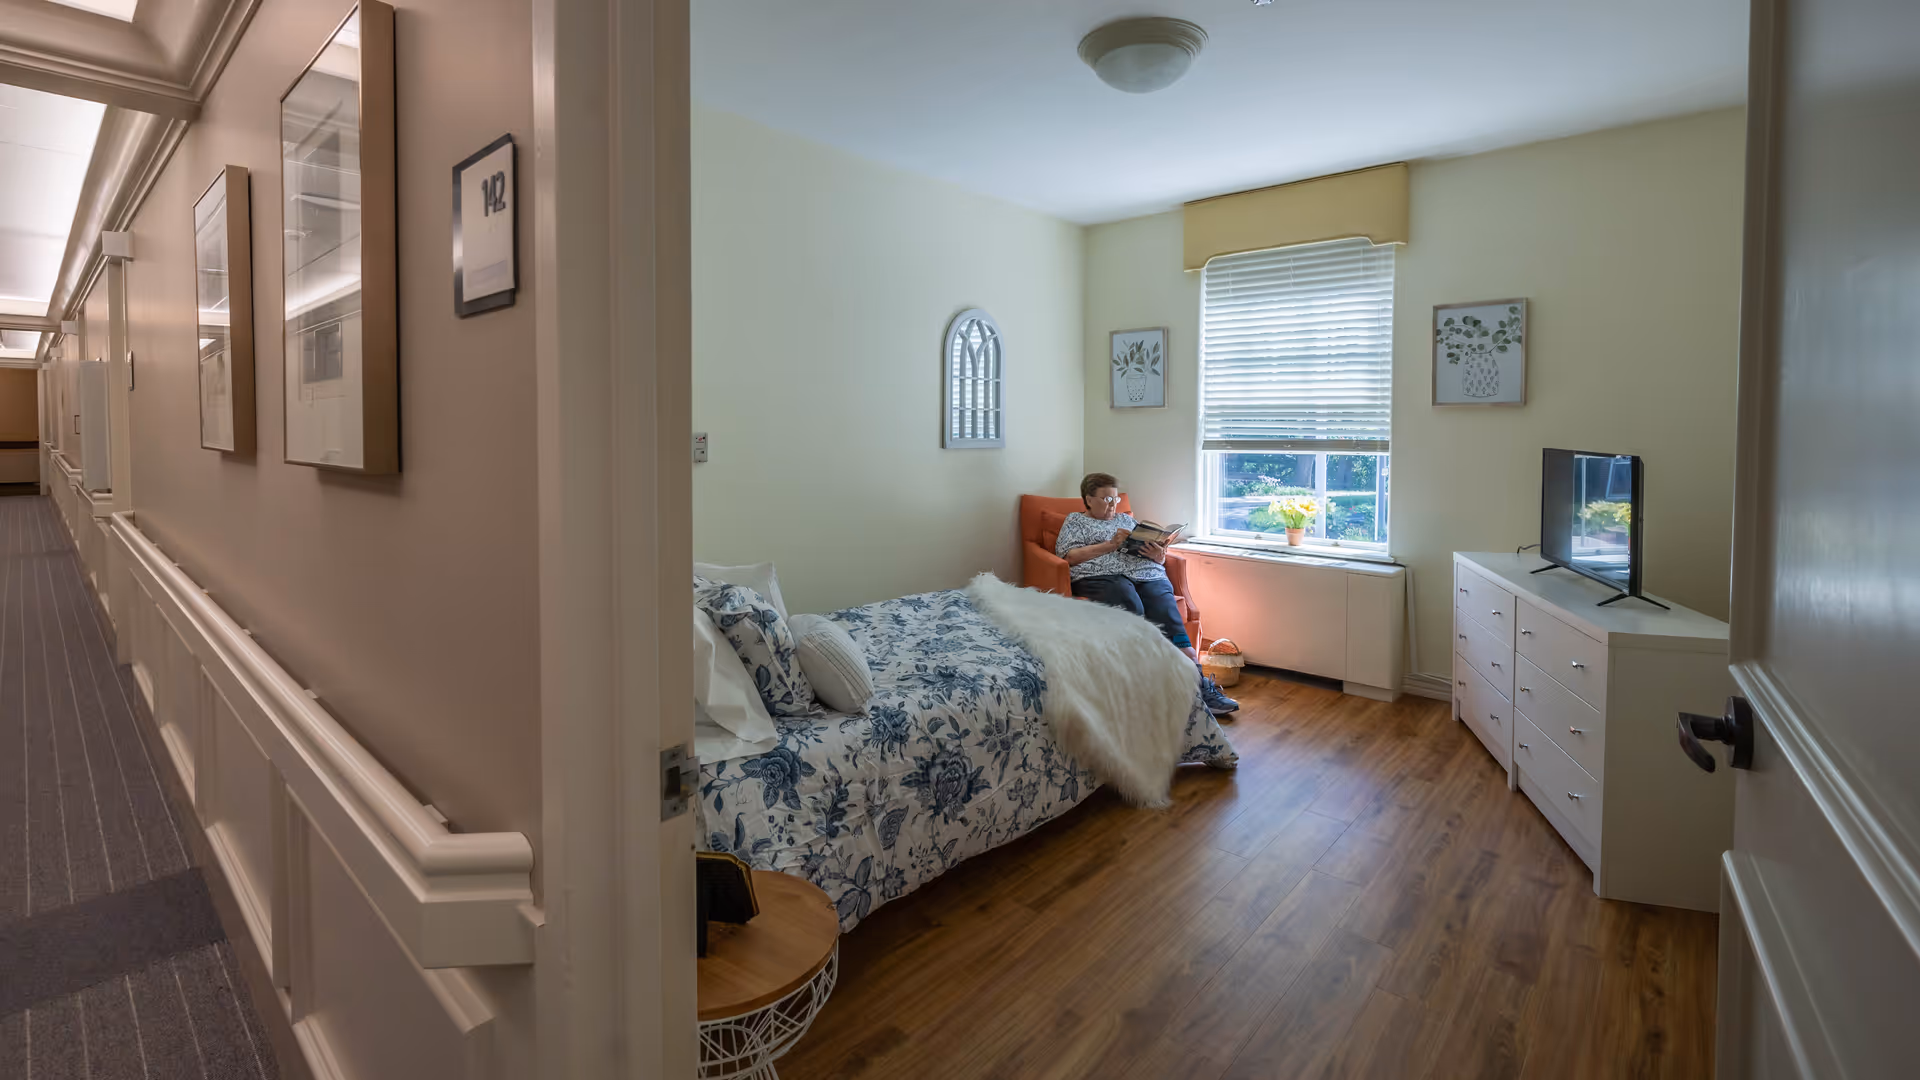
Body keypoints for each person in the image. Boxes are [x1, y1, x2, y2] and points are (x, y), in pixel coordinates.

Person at [1056, 472, 1240, 716]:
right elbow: (1067, 556)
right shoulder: (1075, 522)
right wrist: (1111, 545)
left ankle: (1199, 687)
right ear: (1089, 500)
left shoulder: (1126, 519)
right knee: (1130, 602)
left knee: (1167, 613)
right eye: (1106, 499)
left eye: (1115, 499)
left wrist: (1158, 555)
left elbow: (1154, 555)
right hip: (1101, 575)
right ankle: (1148, 687)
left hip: (1145, 573)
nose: (1113, 505)